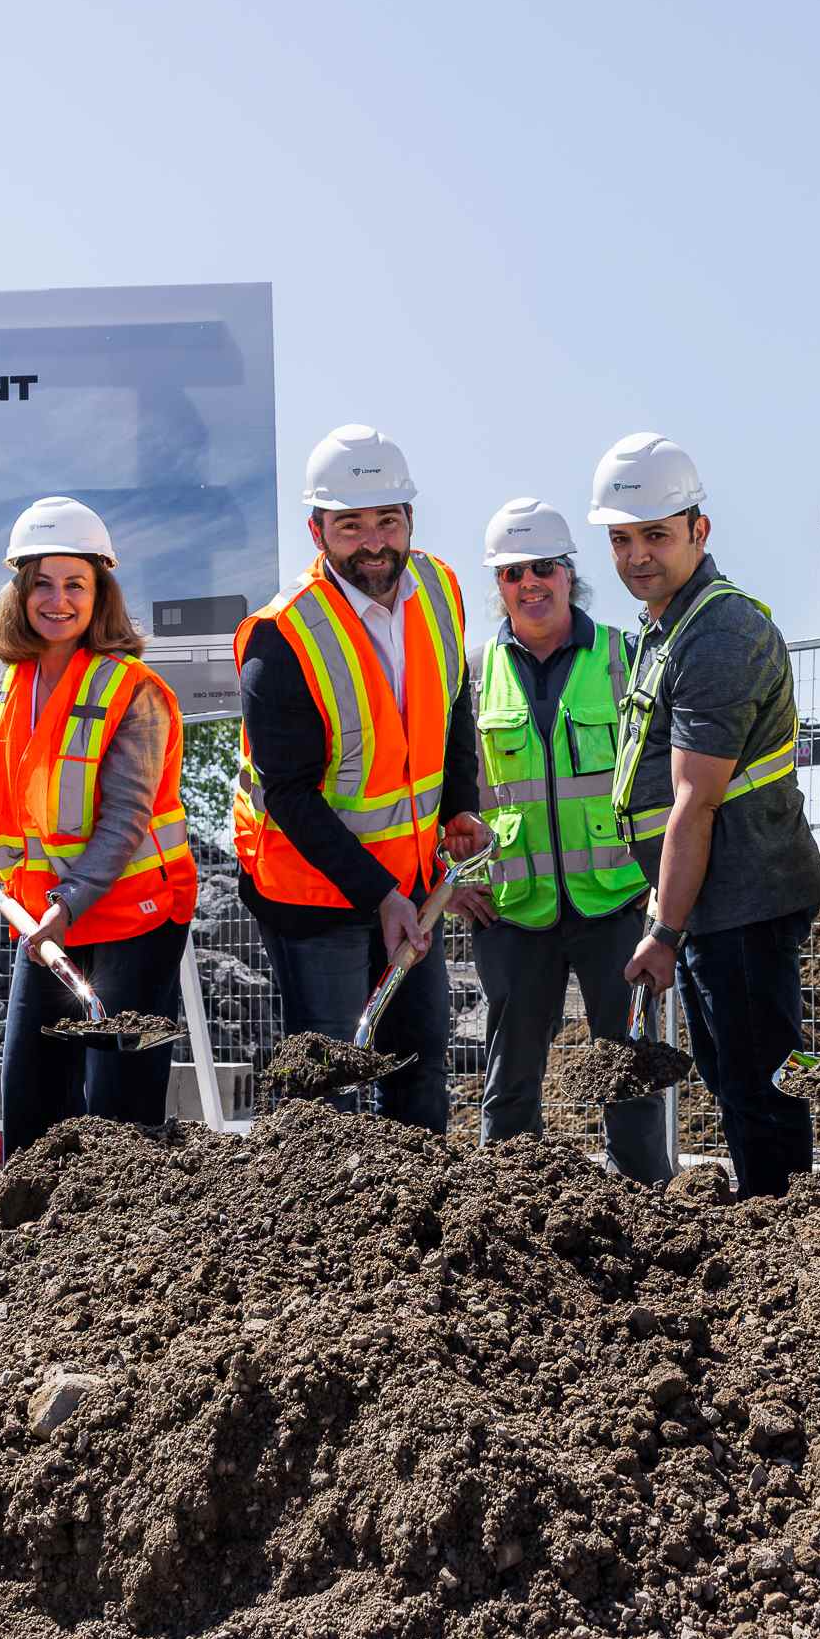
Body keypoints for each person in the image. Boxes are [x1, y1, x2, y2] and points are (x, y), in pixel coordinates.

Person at [230, 424, 485, 1132]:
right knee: (331, 1083)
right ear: (317, 530)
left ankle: (424, 1224)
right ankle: (321, 1236)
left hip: (408, 878)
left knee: (419, 1061)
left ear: (410, 519)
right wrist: (379, 895)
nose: (373, 541)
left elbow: (453, 706)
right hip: (312, 891)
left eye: (387, 520)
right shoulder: (281, 636)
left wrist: (457, 810)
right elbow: (288, 796)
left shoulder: (440, 588)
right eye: (350, 525)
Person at [596, 432, 820, 1196]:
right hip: (714, 899)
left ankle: (787, 1240)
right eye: (622, 539)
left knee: (759, 1090)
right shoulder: (669, 627)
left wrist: (663, 929)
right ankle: (777, 1239)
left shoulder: (718, 632)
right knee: (737, 1083)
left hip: (742, 898)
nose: (637, 556)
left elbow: (693, 803)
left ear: (699, 530)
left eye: (656, 535)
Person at [0, 496, 197, 1157]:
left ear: (101, 594)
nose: (57, 600)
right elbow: (14, 805)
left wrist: (66, 904)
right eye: (42, 584)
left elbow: (125, 817)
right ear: (19, 593)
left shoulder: (133, 690)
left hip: (133, 917)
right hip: (48, 919)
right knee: (32, 1103)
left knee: (120, 1110)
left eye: (75, 585)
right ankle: (34, 1249)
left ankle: (129, 1250)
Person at [462, 497, 671, 1182]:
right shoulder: (470, 677)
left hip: (615, 899)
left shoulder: (623, 656)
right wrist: (457, 881)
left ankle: (644, 1202)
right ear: (499, 585)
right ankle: (502, 1210)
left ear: (568, 574)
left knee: (628, 1069)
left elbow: (665, 776)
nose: (531, 584)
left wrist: (664, 887)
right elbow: (448, 792)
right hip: (513, 906)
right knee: (512, 1072)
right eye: (514, 572)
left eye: (544, 568)